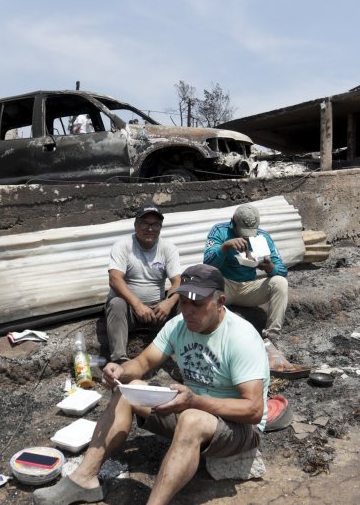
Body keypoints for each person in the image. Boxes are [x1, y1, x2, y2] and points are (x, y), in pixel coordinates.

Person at [33, 265, 268, 505]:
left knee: (192, 419)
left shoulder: (241, 337)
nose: (187, 310)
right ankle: (85, 479)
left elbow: (253, 410)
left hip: (237, 428)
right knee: (129, 389)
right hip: (190, 407)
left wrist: (196, 402)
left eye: (197, 304)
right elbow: (144, 361)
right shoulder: (178, 325)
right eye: (183, 301)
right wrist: (120, 371)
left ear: (220, 301)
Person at [204, 204, 309, 377]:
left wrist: (269, 267)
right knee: (206, 281)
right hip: (225, 287)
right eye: (242, 232)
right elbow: (207, 265)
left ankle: (271, 338)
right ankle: (207, 338)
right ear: (233, 223)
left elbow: (282, 271)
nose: (246, 237)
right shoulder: (219, 231)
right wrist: (224, 248)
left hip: (249, 288)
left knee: (279, 282)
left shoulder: (263, 237)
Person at [103, 205, 182, 363]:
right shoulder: (123, 246)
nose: (150, 229)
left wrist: (168, 302)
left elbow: (178, 281)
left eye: (155, 224)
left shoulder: (168, 248)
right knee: (117, 303)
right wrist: (137, 305)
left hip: (157, 312)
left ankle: (181, 358)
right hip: (130, 311)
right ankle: (119, 360)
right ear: (135, 225)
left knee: (185, 301)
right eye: (145, 223)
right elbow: (114, 279)